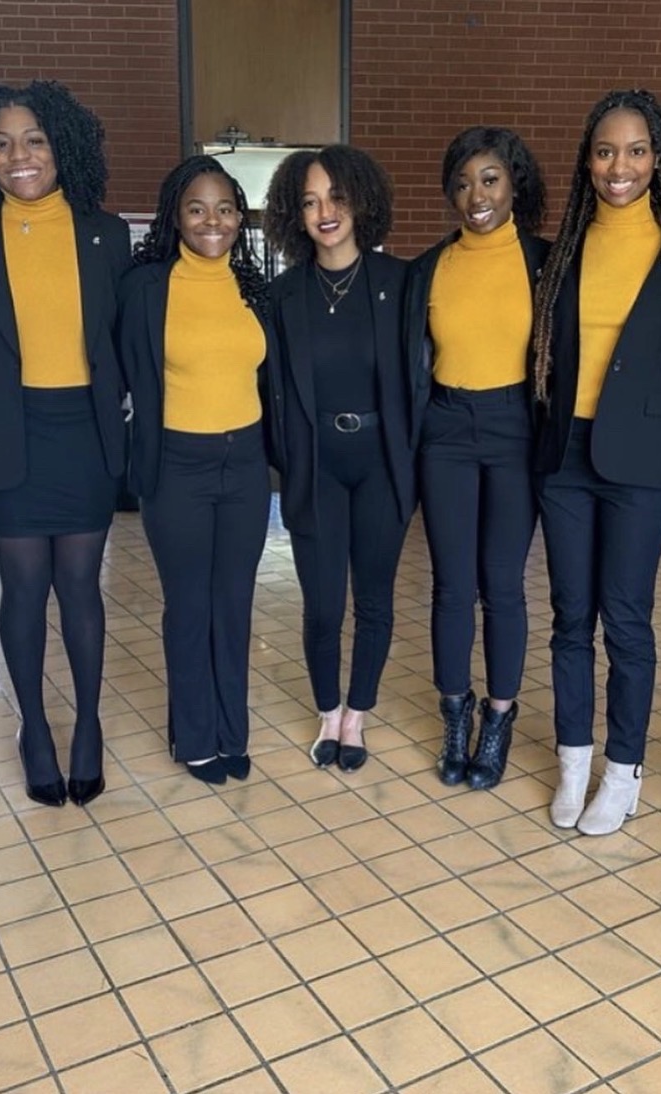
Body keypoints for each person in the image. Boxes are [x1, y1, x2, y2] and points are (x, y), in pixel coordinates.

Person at [0, 81, 131, 808]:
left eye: (34, 140)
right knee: (24, 587)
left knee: (80, 586)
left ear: (62, 147)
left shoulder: (104, 234)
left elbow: (122, 342)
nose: (19, 156)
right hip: (3, 437)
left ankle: (87, 724)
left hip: (82, 434)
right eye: (1, 143)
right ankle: (35, 729)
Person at [532, 90, 661, 835]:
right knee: (571, 616)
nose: (620, 165)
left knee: (627, 621)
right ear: (588, 158)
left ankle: (623, 771)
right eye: (605, 150)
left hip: (640, 460)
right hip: (565, 457)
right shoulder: (565, 247)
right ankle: (574, 760)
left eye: (636, 150)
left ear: (658, 158)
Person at [117, 155, 272, 785]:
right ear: (176, 218)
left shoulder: (255, 290)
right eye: (197, 209)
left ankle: (233, 732)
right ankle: (195, 736)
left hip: (246, 465)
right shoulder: (146, 287)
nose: (213, 221)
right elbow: (124, 371)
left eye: (226, 209)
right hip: (177, 464)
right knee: (189, 606)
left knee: (233, 604)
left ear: (240, 218)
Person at [404, 127, 547, 792]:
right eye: (461, 183)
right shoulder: (431, 268)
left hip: (516, 426)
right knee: (452, 583)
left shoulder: (544, 262)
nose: (475, 195)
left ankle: (499, 716)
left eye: (488, 179)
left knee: (504, 585)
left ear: (514, 182)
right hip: (448, 428)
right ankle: (455, 714)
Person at [264, 146, 414, 773]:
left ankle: (357, 715)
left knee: (374, 601)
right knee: (324, 603)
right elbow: (269, 386)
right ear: (294, 214)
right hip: (316, 461)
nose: (325, 212)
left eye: (336, 197)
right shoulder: (283, 294)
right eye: (309, 201)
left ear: (360, 202)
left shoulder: (399, 284)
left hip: (380, 460)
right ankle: (328, 711)